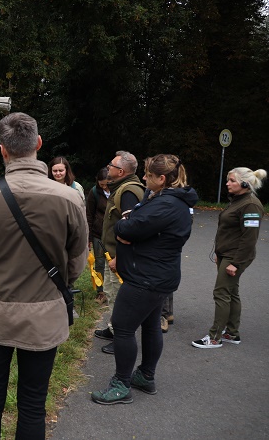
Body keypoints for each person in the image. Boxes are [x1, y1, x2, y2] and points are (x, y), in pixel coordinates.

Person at [0, 112, 88, 439]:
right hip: (45, 313)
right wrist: (58, 286)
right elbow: (76, 261)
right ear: (39, 144)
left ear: (2, 150)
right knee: (33, 402)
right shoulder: (69, 197)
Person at [91, 154, 198, 404]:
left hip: (146, 278)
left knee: (123, 326)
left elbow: (126, 228)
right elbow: (136, 223)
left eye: (148, 175)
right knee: (150, 326)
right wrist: (131, 225)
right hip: (158, 276)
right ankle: (145, 376)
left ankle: (121, 383)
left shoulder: (166, 204)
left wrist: (126, 228)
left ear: (161, 179)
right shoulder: (167, 199)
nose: (143, 178)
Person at [192, 167, 266, 349]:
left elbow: (249, 239)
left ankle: (215, 337)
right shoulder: (238, 200)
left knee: (221, 293)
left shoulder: (251, 205)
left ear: (244, 183)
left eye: (231, 180)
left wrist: (235, 263)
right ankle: (232, 333)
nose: (227, 183)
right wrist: (219, 254)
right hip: (227, 254)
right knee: (231, 293)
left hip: (236, 256)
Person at [94, 151, 145, 355]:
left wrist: (119, 256)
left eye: (111, 165)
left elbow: (132, 229)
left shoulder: (129, 191)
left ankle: (121, 338)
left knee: (120, 298)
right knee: (111, 292)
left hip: (119, 256)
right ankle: (114, 329)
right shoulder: (122, 188)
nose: (108, 168)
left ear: (121, 171)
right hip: (112, 254)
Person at [86, 167, 110, 304]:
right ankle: (100, 292)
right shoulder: (94, 192)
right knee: (99, 262)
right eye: (102, 185)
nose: (104, 187)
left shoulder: (118, 191)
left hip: (113, 234)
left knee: (114, 261)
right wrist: (89, 238)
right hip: (98, 233)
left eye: (107, 184)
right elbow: (89, 215)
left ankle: (115, 289)